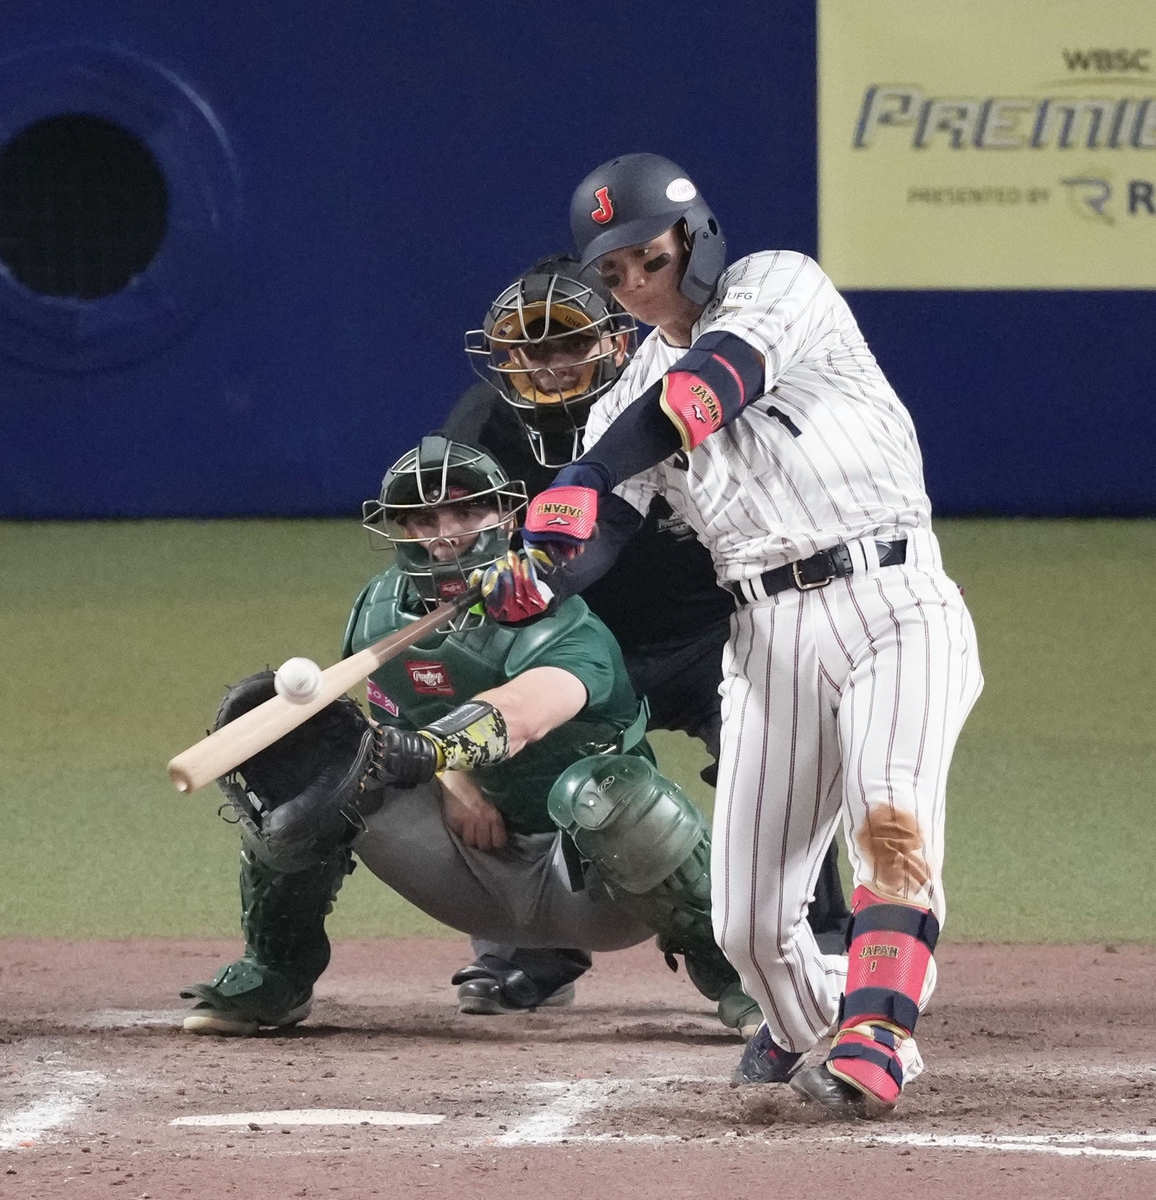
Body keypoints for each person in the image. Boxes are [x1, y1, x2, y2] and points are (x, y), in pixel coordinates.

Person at [487, 154, 983, 1119]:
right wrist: (531, 575)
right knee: (748, 923)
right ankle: (811, 1030)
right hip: (763, 636)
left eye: (646, 255)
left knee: (892, 824)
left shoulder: (779, 284)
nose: (633, 281)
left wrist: (584, 476)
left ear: (694, 238)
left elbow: (708, 389)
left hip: (895, 602)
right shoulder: (621, 394)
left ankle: (881, 1029)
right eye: (615, 270)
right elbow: (607, 534)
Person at [180, 435, 760, 1039]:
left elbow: (522, 713)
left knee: (615, 791)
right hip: (473, 868)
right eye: (422, 518)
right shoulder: (379, 612)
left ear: (507, 518)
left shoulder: (559, 619)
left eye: (465, 511)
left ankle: (735, 978)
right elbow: (393, 719)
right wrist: (455, 785)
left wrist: (435, 752)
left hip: (599, 881)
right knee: (317, 775)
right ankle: (276, 972)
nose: (444, 532)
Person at [442, 257, 851, 1007]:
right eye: (529, 348)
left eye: (567, 342)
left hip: (709, 635)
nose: (550, 364)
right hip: (569, 646)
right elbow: (446, 544)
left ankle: (819, 935)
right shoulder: (481, 433)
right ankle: (529, 952)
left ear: (616, 341)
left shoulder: (673, 404)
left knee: (775, 747)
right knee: (520, 750)